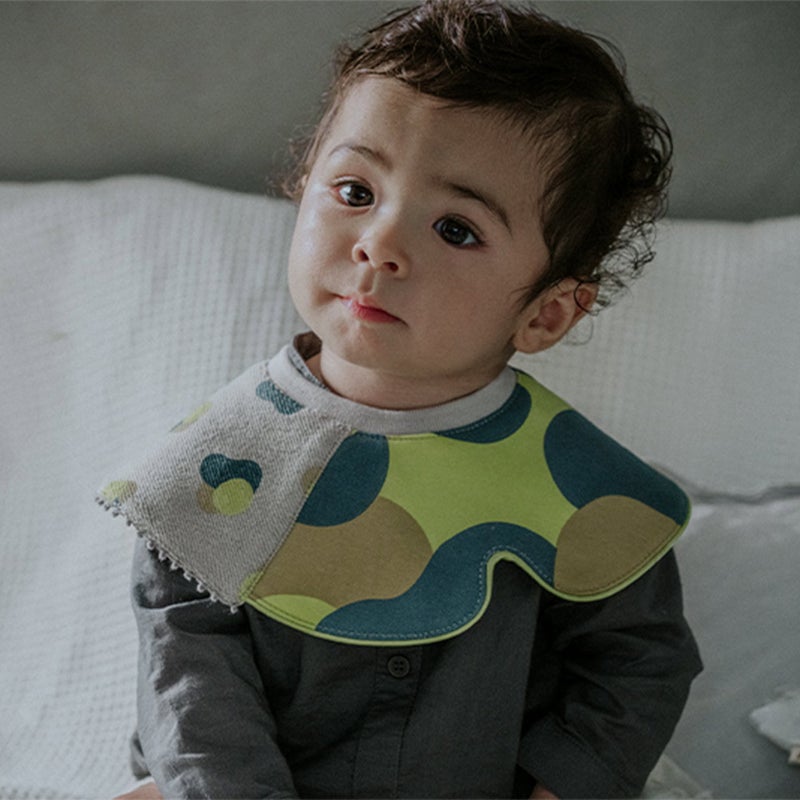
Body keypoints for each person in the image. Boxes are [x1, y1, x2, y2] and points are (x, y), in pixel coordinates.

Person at [100, 1, 702, 797]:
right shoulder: (224, 459)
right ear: (300, 188)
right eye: (355, 190)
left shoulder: (575, 485)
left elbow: (638, 661)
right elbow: (189, 672)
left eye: (456, 229)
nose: (379, 244)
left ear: (547, 313)